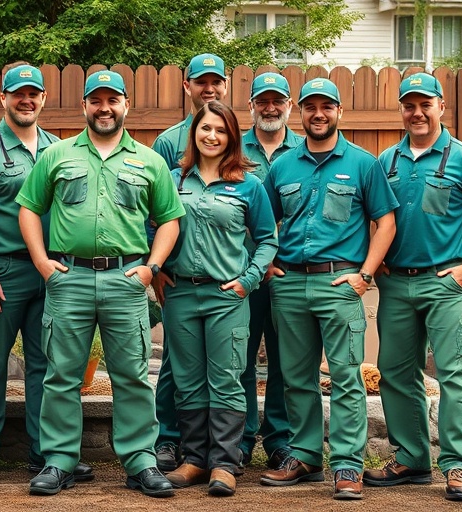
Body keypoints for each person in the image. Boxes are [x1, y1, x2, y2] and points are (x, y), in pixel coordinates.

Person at [16, 70, 185, 498]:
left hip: (125, 280)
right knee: (61, 375)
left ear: (125, 104)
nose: (104, 107)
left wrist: (152, 267)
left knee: (131, 375)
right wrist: (42, 262)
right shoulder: (57, 155)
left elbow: (169, 219)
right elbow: (29, 208)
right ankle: (59, 461)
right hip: (68, 279)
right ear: (84, 105)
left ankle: (141, 461)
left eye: (113, 100)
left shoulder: (149, 161)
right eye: (96, 100)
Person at [363, 73, 462, 502]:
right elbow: (374, 219)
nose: (417, 112)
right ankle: (411, 459)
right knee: (394, 372)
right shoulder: (386, 162)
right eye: (409, 105)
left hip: (447, 282)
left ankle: (458, 466)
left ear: (441, 106)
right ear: (402, 111)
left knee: (450, 374)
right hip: (396, 284)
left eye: (424, 104)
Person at [259, 78, 398, 500]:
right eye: (310, 107)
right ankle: (304, 457)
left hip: (340, 283)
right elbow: (262, 222)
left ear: (340, 111)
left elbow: (386, 222)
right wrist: (265, 266)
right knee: (295, 378)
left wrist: (365, 275)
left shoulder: (362, 163)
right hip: (289, 283)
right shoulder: (282, 166)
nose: (318, 114)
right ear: (300, 112)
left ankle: (347, 466)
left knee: (346, 378)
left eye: (327, 106)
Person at [0, 63, 94, 484]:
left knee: (50, 364)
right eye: (17, 93)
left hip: (52, 270)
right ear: (3, 98)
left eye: (33, 93)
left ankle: (48, 452)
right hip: (2, 271)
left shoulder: (60, 148)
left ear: (42, 99)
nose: (26, 100)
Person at [152, 101, 277, 497]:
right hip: (181, 293)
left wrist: (248, 280)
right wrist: (156, 269)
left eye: (220, 130)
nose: (211, 136)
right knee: (187, 381)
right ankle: (193, 460)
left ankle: (224, 463)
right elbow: (149, 225)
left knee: (225, 379)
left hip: (226, 295)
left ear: (231, 138)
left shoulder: (248, 185)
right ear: (194, 133)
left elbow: (267, 239)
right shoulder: (173, 180)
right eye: (205, 128)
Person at [151, 52, 229, 472]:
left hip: (229, 276)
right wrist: (157, 266)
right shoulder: (167, 142)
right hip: (179, 275)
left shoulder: (234, 135)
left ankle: (231, 444)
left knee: (231, 363)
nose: (209, 88)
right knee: (176, 364)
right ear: (187, 87)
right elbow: (156, 209)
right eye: (201, 82)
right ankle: (169, 439)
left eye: (216, 81)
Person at [238, 72, 303, 468]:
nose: (270, 107)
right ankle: (242, 438)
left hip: (286, 275)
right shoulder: (235, 148)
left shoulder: (302, 149)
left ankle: (280, 440)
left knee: (286, 361)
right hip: (240, 275)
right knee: (240, 359)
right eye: (262, 100)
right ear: (251, 106)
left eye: (277, 100)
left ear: (288, 106)